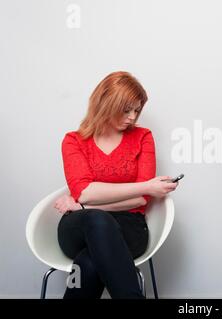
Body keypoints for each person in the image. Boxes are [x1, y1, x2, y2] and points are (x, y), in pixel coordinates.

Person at [53, 71, 178, 298]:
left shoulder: (142, 137)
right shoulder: (74, 141)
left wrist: (83, 206)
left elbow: (140, 201)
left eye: (137, 110)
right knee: (97, 220)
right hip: (78, 228)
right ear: (105, 103)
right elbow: (85, 192)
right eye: (126, 109)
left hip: (129, 227)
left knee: (89, 263)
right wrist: (146, 186)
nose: (132, 117)